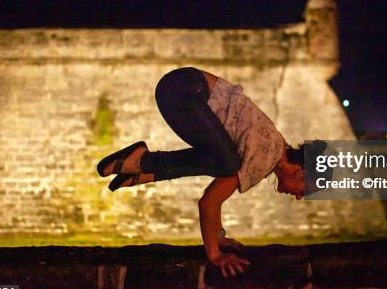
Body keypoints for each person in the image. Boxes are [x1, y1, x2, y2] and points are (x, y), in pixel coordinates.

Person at [96, 66, 315, 278]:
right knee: (227, 164)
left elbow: (220, 183)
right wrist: (215, 255)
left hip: (183, 85)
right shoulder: (266, 156)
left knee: (226, 161)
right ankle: (143, 162)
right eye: (303, 192)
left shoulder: (276, 149)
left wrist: (219, 236)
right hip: (185, 90)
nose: (297, 197)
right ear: (301, 174)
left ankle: (144, 167)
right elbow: (209, 203)